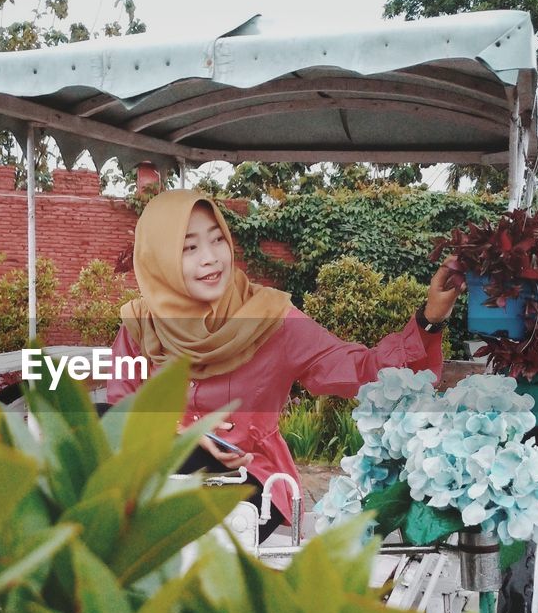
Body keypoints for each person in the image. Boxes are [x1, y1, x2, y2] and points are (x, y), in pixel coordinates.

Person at [106, 189, 462, 541]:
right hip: (162, 477)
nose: (211, 258)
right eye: (189, 248)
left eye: (217, 241)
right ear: (159, 260)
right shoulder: (141, 327)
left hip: (250, 484)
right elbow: (120, 414)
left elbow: (362, 370)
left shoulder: (270, 320)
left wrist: (431, 318)